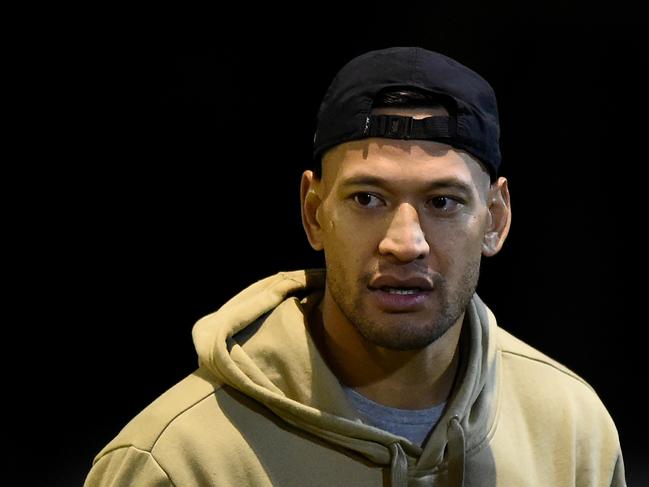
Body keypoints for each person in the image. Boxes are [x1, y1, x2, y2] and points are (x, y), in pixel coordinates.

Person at [85, 47, 625, 486]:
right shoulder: (180, 462)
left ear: (495, 220)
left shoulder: (574, 432)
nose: (404, 243)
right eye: (368, 198)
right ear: (314, 213)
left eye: (443, 202)